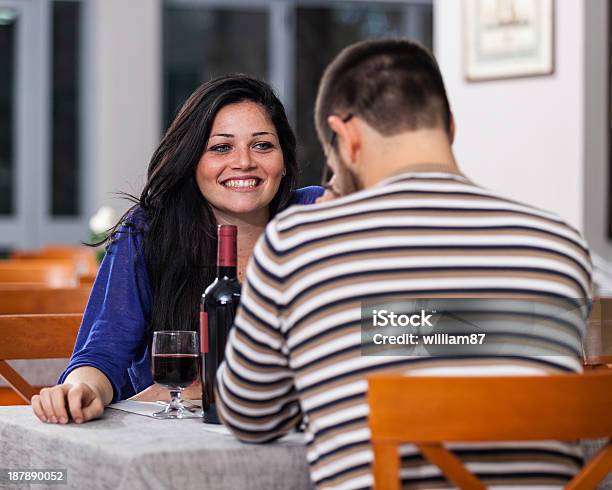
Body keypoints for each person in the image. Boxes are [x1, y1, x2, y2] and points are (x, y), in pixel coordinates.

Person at [215, 40, 592, 488]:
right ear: (450, 127)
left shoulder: (300, 240)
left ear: (347, 137)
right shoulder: (559, 243)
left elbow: (248, 415)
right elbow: (461, 336)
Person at [31, 75, 323, 425]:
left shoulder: (317, 215)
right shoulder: (149, 232)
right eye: (221, 147)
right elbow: (102, 354)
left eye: (262, 145)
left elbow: (392, 332)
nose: (244, 162)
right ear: (191, 159)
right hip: (175, 438)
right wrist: (81, 390)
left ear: (285, 160)